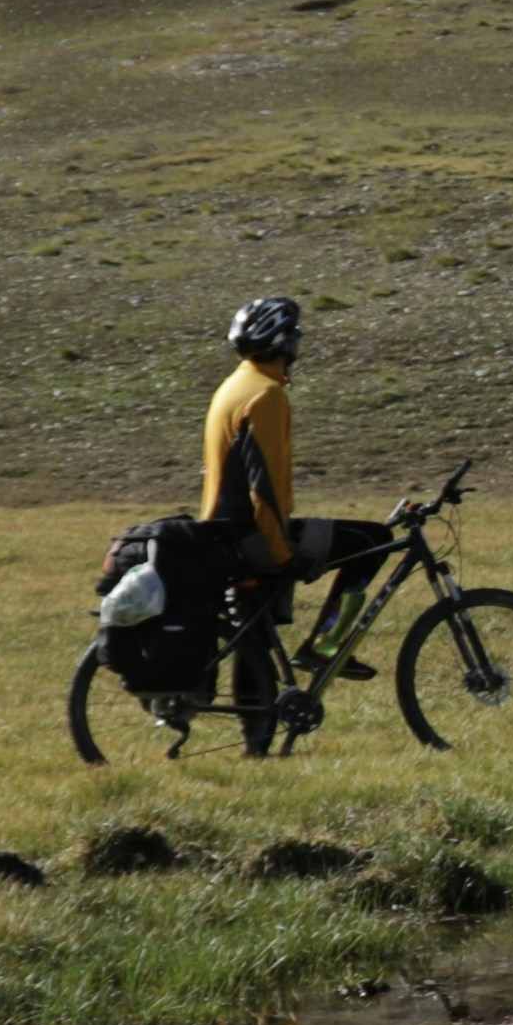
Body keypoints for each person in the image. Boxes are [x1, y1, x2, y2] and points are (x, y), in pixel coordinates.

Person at [196, 295, 370, 736]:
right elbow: (265, 492)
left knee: (255, 632)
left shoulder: (236, 383)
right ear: (281, 342)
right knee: (370, 543)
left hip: (222, 532)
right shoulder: (266, 396)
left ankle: (256, 745)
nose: (297, 344)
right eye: (293, 336)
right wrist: (284, 555)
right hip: (252, 535)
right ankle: (326, 644)